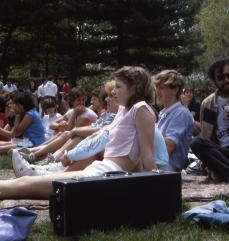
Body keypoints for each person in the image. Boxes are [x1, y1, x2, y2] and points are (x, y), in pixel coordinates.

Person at [1, 66, 164, 200]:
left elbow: (146, 155)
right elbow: (130, 153)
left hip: (107, 174)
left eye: (119, 87)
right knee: (24, 183)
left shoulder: (141, 109)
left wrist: (161, 189)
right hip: (103, 171)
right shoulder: (124, 110)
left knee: (23, 184)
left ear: (135, 88)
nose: (113, 92)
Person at [153, 70, 194, 172]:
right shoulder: (163, 113)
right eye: (156, 87)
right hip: (157, 165)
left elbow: (168, 147)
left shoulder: (181, 113)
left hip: (167, 169)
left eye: (161, 88)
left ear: (175, 89)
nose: (157, 91)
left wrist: (145, 130)